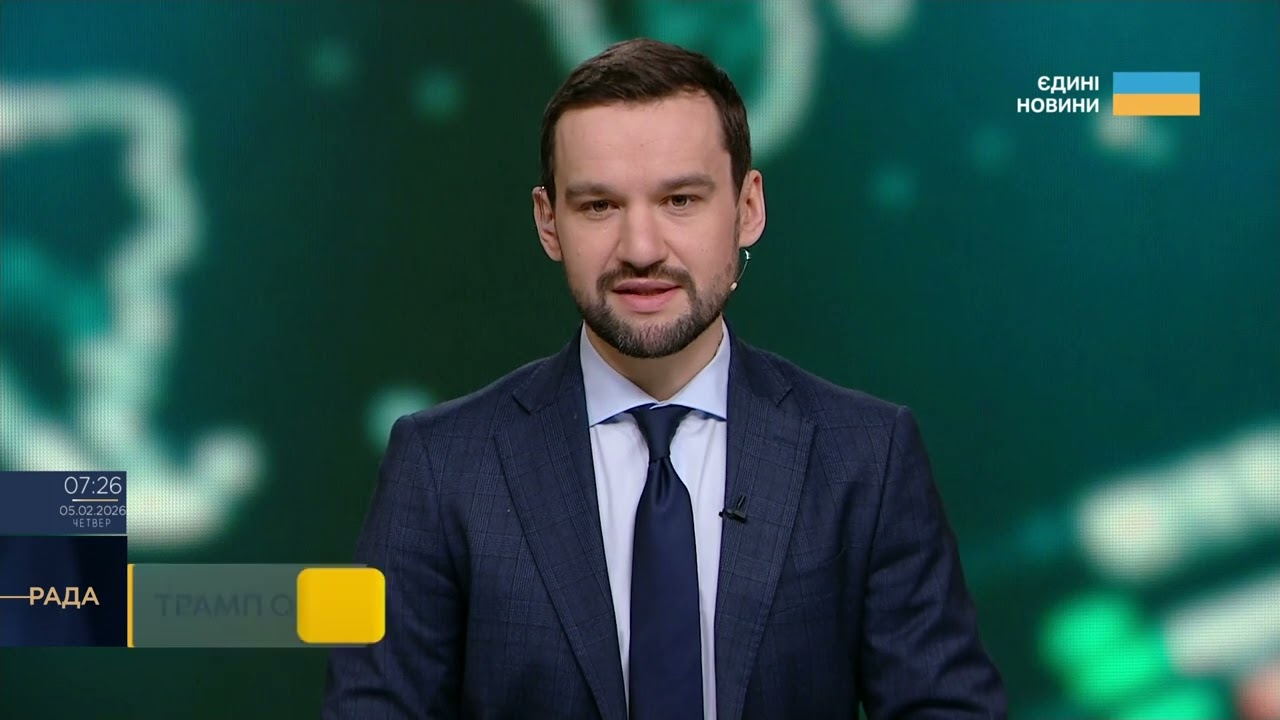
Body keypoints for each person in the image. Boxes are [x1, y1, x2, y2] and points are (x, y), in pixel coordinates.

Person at [323, 37, 1005, 720]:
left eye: (680, 199)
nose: (641, 250)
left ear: (748, 208)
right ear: (548, 222)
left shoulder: (868, 456)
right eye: (599, 206)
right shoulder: (439, 466)